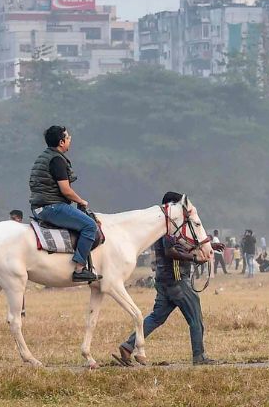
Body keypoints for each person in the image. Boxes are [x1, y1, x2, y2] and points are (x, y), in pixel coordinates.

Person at [114, 192, 217, 366]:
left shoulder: (162, 228)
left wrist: (209, 245)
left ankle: (128, 346)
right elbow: (171, 252)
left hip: (163, 280)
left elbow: (182, 245)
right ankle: (199, 357)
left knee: (156, 317)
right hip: (176, 280)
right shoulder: (168, 228)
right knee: (195, 318)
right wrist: (194, 258)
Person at [29, 125, 99, 282]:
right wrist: (81, 201)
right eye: (68, 138)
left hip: (40, 205)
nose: (70, 140)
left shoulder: (45, 157)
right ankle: (80, 268)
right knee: (90, 226)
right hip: (51, 206)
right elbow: (65, 190)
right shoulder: (57, 160)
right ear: (61, 142)